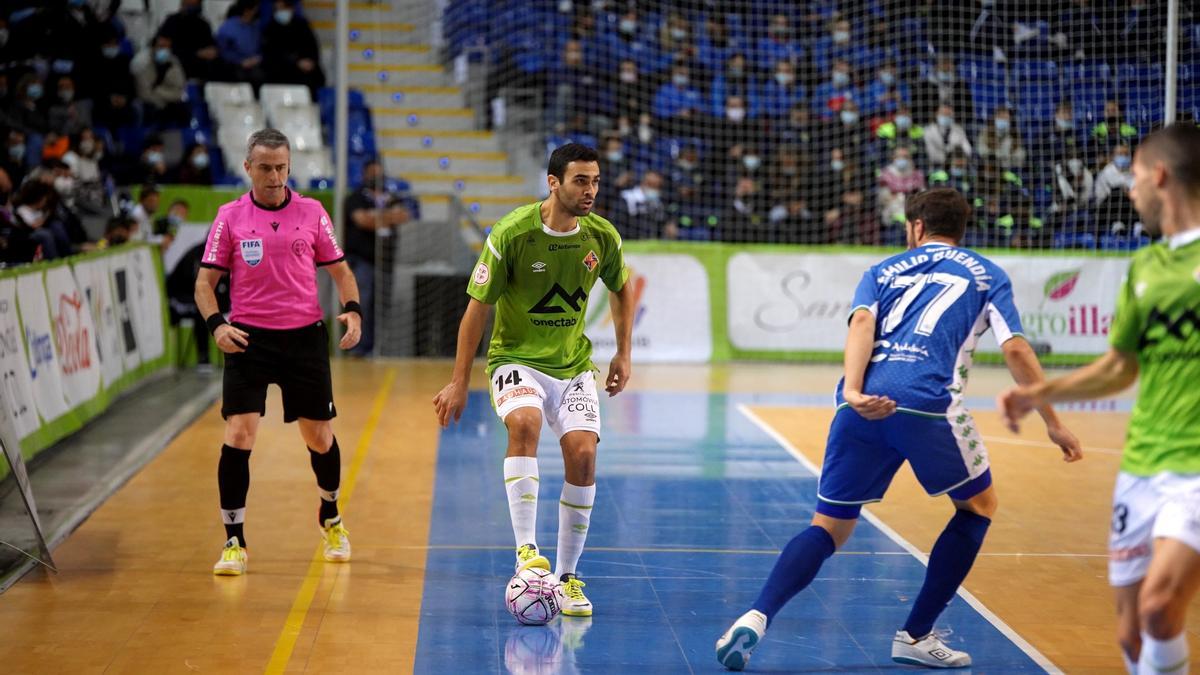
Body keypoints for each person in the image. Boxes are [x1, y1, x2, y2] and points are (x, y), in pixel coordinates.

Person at [716, 187, 1083, 671]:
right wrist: (1054, 422)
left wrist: (852, 392)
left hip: (860, 404)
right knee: (980, 505)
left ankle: (757, 615)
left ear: (916, 227)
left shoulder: (881, 270)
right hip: (928, 406)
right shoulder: (987, 273)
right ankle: (916, 633)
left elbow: (862, 323)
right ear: (961, 229)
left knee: (828, 526)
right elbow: (1015, 349)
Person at [998, 123, 1200, 675]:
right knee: (1131, 633)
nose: (1130, 191)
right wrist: (1038, 394)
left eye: (1134, 178)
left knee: (1161, 608)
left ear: (1159, 176)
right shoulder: (1145, 268)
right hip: (1140, 465)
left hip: (1195, 468)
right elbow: (1118, 368)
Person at [433, 143, 635, 619]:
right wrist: (459, 381)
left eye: (596, 181)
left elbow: (622, 287)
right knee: (524, 423)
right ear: (553, 183)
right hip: (515, 358)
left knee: (584, 455)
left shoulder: (602, 236)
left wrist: (624, 353)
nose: (590, 191)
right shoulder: (512, 233)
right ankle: (528, 554)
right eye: (580, 181)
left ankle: (566, 578)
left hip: (571, 364)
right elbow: (475, 312)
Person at [195, 128, 362, 576]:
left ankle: (330, 515)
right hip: (248, 338)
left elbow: (341, 271)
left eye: (282, 168)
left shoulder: (311, 212)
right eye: (265, 167)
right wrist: (217, 327)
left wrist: (353, 311)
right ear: (247, 168)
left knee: (319, 438)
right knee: (240, 434)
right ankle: (234, 540)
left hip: (304, 337)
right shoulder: (230, 217)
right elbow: (204, 284)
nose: (274, 176)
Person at [342, 159, 411, 356]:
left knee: (382, 307)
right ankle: (358, 348)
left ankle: (377, 348)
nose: (376, 178)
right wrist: (387, 218)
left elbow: (403, 215)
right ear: (365, 175)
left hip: (386, 263)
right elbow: (362, 220)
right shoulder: (356, 197)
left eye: (379, 173)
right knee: (362, 304)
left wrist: (377, 217)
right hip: (363, 261)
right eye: (372, 173)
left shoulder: (390, 197)